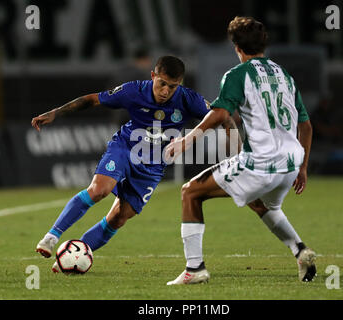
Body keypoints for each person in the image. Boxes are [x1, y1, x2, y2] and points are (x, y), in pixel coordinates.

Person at [31, 56, 237, 272]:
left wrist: (237, 156)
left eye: (173, 86)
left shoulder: (189, 100)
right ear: (153, 77)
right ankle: (51, 237)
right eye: (162, 84)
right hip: (126, 148)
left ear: (180, 84)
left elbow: (224, 118)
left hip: (153, 166)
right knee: (100, 190)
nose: (166, 91)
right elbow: (93, 99)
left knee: (119, 218)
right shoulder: (133, 91)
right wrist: (55, 113)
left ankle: (74, 255)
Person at [165, 16, 316, 285]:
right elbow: (305, 125)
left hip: (261, 162)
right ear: (263, 44)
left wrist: (186, 140)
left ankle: (194, 269)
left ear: (236, 46)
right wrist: (302, 167)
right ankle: (300, 251)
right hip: (291, 163)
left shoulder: (237, 74)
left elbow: (221, 112)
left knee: (190, 192)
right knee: (261, 203)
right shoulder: (285, 76)